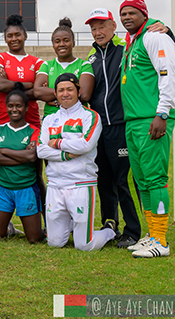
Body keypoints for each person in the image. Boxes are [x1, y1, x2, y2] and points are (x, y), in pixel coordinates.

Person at [118, 0, 175, 258]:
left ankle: (161, 240)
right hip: (133, 121)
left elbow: (167, 73)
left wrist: (162, 113)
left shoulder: (154, 36)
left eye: (132, 12)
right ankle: (151, 234)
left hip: (151, 119)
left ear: (144, 13)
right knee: (142, 181)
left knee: (155, 180)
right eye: (123, 13)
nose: (127, 17)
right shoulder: (132, 41)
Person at [85, 7, 148, 249]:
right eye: (93, 28)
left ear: (113, 26)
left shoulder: (125, 51)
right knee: (103, 179)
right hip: (99, 129)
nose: (97, 32)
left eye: (102, 26)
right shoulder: (89, 59)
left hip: (121, 127)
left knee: (123, 180)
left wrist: (167, 31)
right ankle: (110, 225)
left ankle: (133, 231)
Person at [37, 74, 116, 251]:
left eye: (70, 89)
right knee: (54, 243)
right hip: (55, 184)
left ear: (79, 91)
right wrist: (67, 154)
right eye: (61, 90)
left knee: (84, 245)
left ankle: (109, 231)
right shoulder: (49, 119)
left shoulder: (90, 116)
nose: (65, 94)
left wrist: (56, 143)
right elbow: (41, 150)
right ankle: (73, 225)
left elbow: (85, 144)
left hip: (81, 183)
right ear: (55, 94)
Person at [0, 89, 44, 243]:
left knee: (34, 239)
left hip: (26, 187)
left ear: (26, 108)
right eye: (10, 106)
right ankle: (9, 227)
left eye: (18, 106)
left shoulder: (35, 131)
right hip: (2, 187)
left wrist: (4, 151)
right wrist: (21, 156)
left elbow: (32, 156)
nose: (14, 109)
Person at [34, 17, 94, 118]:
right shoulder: (47, 65)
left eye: (66, 40)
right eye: (57, 41)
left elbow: (84, 95)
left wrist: (55, 100)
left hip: (77, 119)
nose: (61, 44)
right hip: (51, 118)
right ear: (53, 45)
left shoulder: (84, 65)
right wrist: (71, 92)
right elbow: (37, 92)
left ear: (73, 43)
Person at [0, 14, 42, 129]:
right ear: (5, 39)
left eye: (18, 35)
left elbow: (38, 92)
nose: (14, 39)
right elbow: (0, 85)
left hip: (31, 120)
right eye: (10, 36)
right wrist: (28, 85)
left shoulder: (38, 62)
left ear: (25, 36)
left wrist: (11, 85)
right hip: (4, 119)